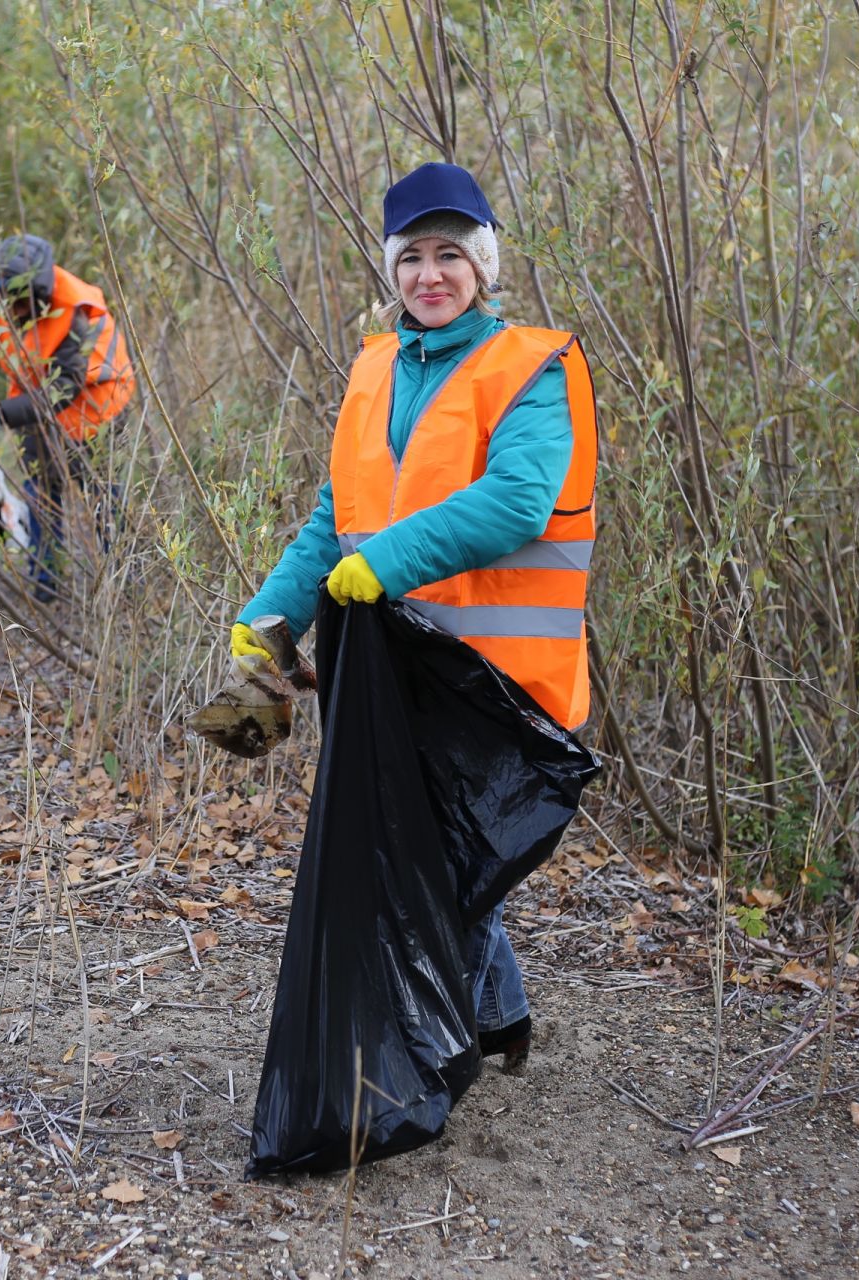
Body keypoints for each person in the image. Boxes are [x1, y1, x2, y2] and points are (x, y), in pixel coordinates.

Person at [231, 161, 598, 1073]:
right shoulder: (376, 368)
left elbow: (519, 499)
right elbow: (336, 516)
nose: (430, 276)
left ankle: (443, 1043)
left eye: (450, 256)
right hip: (398, 664)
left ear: (483, 266)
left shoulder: (532, 367)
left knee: (448, 857)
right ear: (391, 270)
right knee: (425, 852)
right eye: (412, 258)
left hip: (493, 675)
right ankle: (486, 1021)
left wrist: (383, 563)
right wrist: (272, 612)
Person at [0, 234, 134, 600]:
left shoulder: (71, 312)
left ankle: (127, 584)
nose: (11, 309)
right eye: (5, 301)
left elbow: (63, 387)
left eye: (20, 303)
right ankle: (45, 583)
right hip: (33, 402)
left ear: (38, 295)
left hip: (96, 405)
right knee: (41, 490)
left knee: (101, 494)